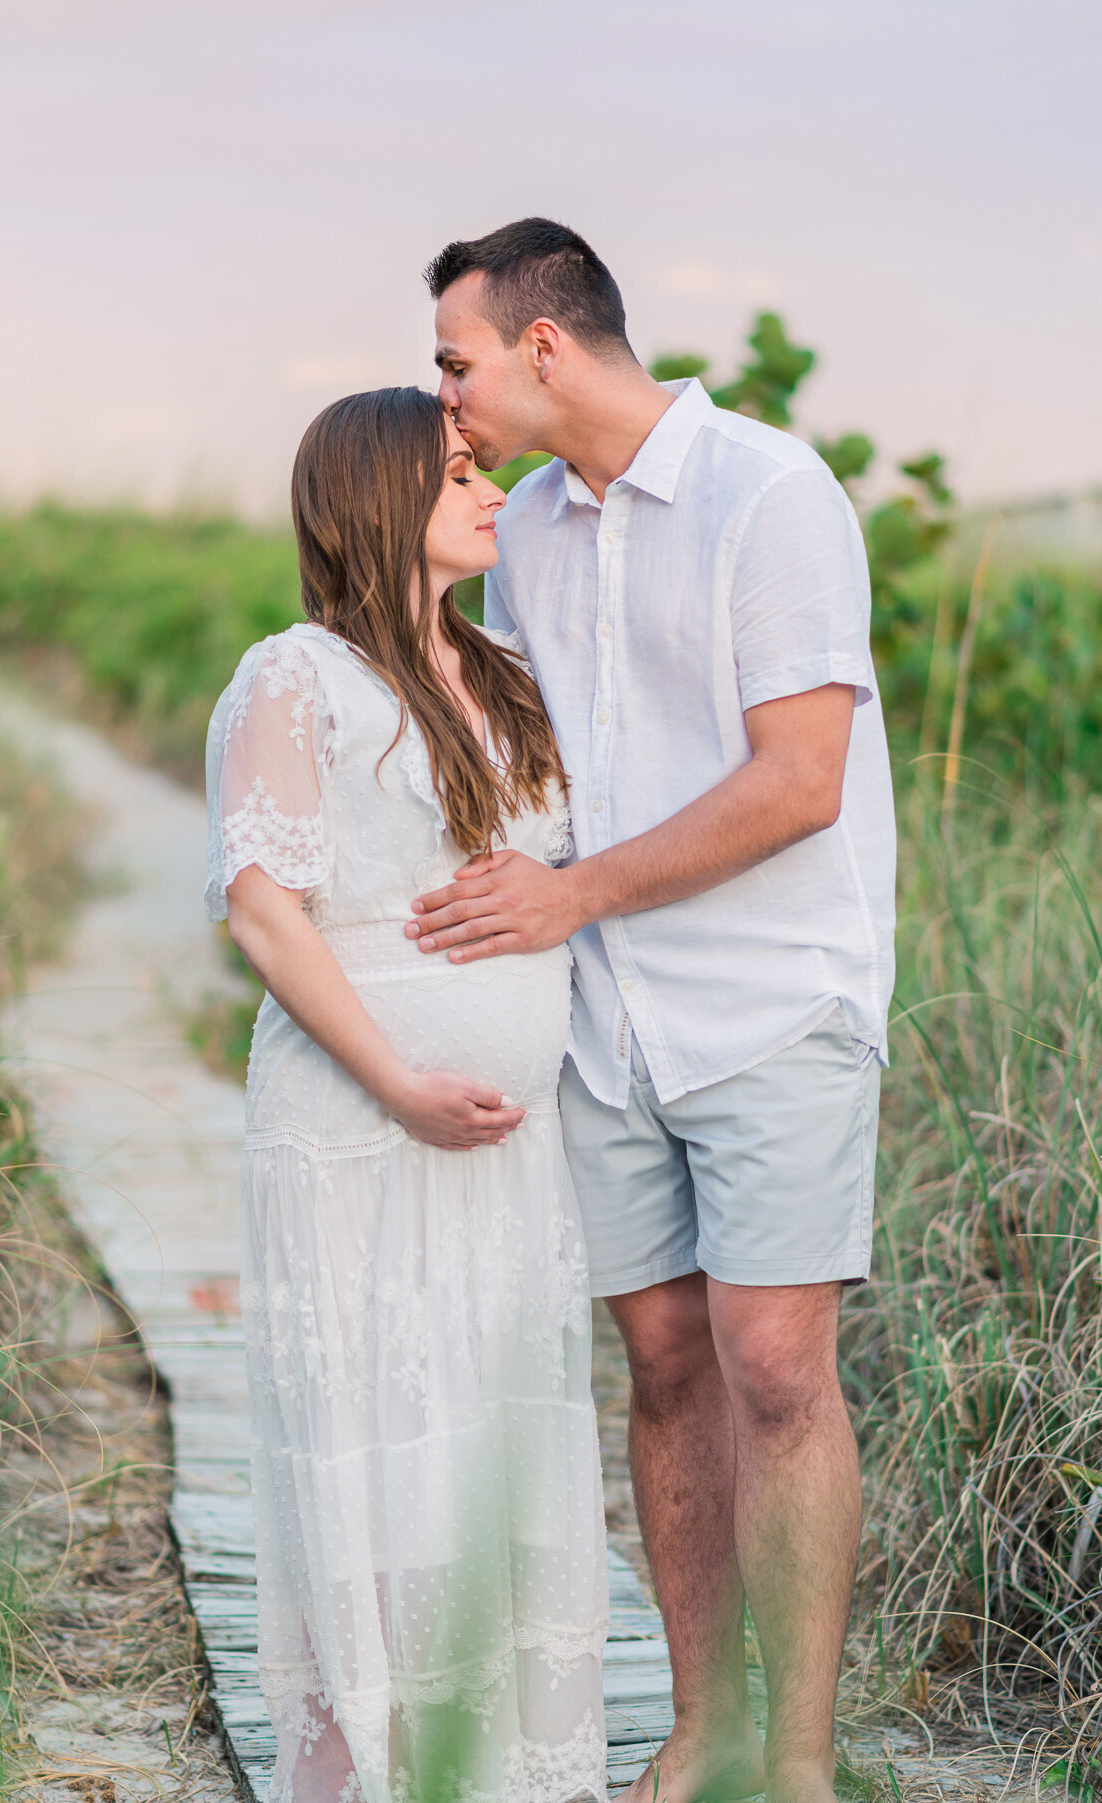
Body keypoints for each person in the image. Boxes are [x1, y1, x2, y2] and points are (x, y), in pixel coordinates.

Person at [407, 219, 897, 1803]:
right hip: (606, 1020)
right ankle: (705, 1731)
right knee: (667, 1362)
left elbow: (801, 783)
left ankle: (803, 1765)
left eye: (458, 362)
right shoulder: (531, 528)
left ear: (544, 346)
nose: (448, 396)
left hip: (774, 1001)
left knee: (774, 1363)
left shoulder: (771, 492)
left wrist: (574, 895)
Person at [204, 386, 609, 1803]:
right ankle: (374, 1763)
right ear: (378, 503)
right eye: (459, 476)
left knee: (485, 1436)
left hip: (507, 1151)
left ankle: (496, 1763)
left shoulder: (507, 671)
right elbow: (266, 913)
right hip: (358, 1130)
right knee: (382, 1436)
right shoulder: (295, 677)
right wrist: (401, 1084)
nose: (494, 494)